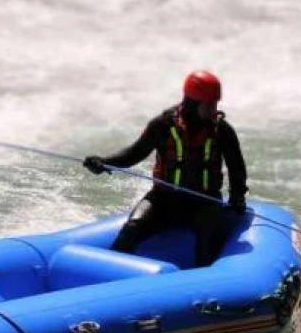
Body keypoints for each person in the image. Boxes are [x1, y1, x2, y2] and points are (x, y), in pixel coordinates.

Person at [82, 70, 248, 267]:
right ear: (193, 103)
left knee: (209, 238)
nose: (214, 109)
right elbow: (134, 154)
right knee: (132, 228)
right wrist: (104, 162)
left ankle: (203, 287)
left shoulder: (222, 130)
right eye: (209, 104)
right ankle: (107, 278)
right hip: (163, 200)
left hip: (204, 203)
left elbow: (236, 167)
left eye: (215, 104)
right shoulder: (162, 125)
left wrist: (237, 199)